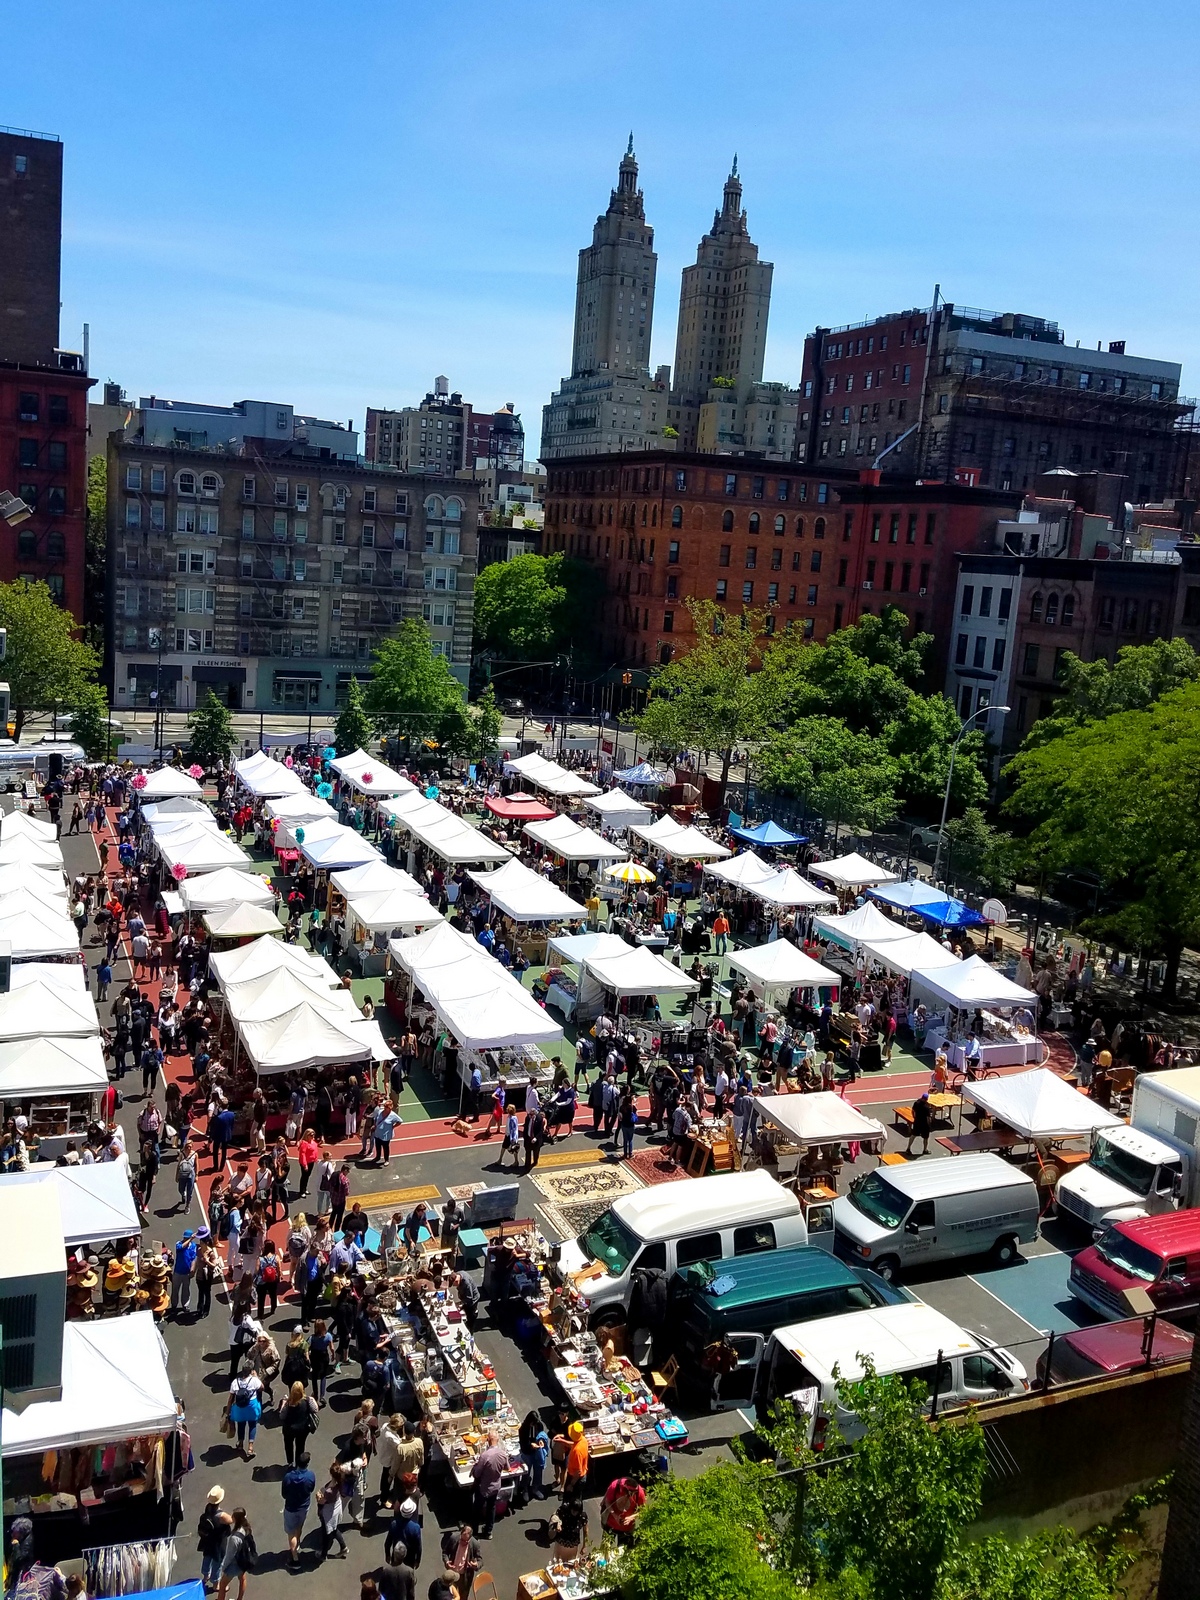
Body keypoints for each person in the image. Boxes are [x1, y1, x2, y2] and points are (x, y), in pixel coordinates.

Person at [469, 1428, 508, 1538]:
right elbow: (507, 1467)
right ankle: (488, 1531)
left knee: (477, 1508)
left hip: (483, 1488)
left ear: (488, 1440)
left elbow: (477, 1474)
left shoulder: (485, 1456)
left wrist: (476, 1465)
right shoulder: (503, 1454)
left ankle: (475, 1532)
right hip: (496, 1487)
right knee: (491, 1508)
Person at [281, 1452, 316, 1568]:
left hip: (291, 1508)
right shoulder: (311, 1476)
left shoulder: (288, 1477)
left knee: (291, 1533)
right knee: (298, 1528)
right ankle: (297, 1544)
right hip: (304, 1507)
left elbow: (284, 1494)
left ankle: (295, 1559)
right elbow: (311, 1489)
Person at [216, 1508, 256, 1600]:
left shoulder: (234, 1538)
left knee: (222, 1585)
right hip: (244, 1561)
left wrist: (223, 1567)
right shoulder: (247, 1528)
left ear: (236, 1519)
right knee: (242, 1579)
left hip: (235, 1564)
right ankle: (239, 1598)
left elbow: (230, 1555)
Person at [279, 1380, 319, 1466]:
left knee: (288, 1445)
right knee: (300, 1446)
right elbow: (315, 1409)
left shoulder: (288, 1403)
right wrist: (312, 1399)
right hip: (303, 1429)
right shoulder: (307, 1400)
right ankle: (298, 1463)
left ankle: (290, 1462)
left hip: (289, 1429)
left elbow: (282, 1416)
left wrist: (283, 1403)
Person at [197, 1486, 229, 1590]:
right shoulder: (221, 1516)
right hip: (218, 1544)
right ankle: (216, 1585)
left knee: (207, 1558)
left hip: (207, 1541)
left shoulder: (207, 1510)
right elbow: (230, 1520)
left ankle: (206, 1576)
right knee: (217, 1563)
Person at [228, 1368, 263, 1458]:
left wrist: (228, 1412)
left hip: (240, 1408)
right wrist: (256, 1377)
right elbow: (262, 1387)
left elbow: (231, 1398)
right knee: (252, 1425)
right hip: (251, 1407)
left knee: (241, 1424)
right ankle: (250, 1448)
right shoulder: (254, 1380)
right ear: (251, 1372)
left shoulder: (235, 1382)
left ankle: (240, 1443)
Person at [440, 1525, 482, 1600]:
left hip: (465, 1576)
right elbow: (445, 1552)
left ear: (470, 1539)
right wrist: (446, 1562)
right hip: (452, 1573)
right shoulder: (453, 1538)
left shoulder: (475, 1544)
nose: (462, 1542)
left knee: (463, 1596)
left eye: (465, 1541)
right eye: (461, 1540)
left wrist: (476, 1565)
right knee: (450, 1595)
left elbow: (480, 1560)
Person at [601, 1474, 646, 1541]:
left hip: (627, 1529)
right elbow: (607, 1502)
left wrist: (631, 1517)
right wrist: (615, 1516)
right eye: (629, 1492)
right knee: (605, 1549)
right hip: (610, 1525)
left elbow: (643, 1511)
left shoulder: (639, 1493)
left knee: (625, 1550)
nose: (631, 1495)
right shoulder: (615, 1486)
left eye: (634, 1492)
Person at [317, 1462, 348, 1560]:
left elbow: (321, 1501)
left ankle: (323, 1555)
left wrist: (318, 1495)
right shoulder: (340, 1483)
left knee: (327, 1535)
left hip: (329, 1513)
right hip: (336, 1509)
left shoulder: (330, 1491)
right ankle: (343, 1547)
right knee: (334, 1529)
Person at [518, 1410, 549, 1500]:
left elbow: (541, 1434)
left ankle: (535, 1488)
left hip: (537, 1452)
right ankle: (525, 1489)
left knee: (538, 1471)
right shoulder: (523, 1429)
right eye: (532, 1423)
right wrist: (531, 1445)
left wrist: (541, 1441)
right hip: (527, 1453)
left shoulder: (539, 1425)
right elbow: (523, 1443)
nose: (533, 1425)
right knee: (526, 1472)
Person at [385, 1497, 422, 1568]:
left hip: (396, 1554)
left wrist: (387, 1555)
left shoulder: (394, 1524)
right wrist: (418, 1560)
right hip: (410, 1557)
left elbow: (388, 1542)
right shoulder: (415, 1527)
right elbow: (418, 1546)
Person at [170, 1229, 198, 1315]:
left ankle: (185, 1305)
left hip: (186, 1273)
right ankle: (174, 1305)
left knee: (186, 1290)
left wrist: (193, 1270)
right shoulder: (179, 1244)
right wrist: (190, 1239)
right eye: (185, 1238)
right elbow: (181, 1247)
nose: (185, 1239)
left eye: (187, 1238)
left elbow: (193, 1258)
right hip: (178, 1272)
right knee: (175, 1289)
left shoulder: (193, 1246)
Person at [561, 1420, 589, 1501]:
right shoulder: (583, 1440)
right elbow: (574, 1444)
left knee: (571, 1501)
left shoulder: (577, 1452)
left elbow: (578, 1472)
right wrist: (563, 1441)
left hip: (576, 1479)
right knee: (577, 1499)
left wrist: (571, 1485)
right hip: (581, 1476)